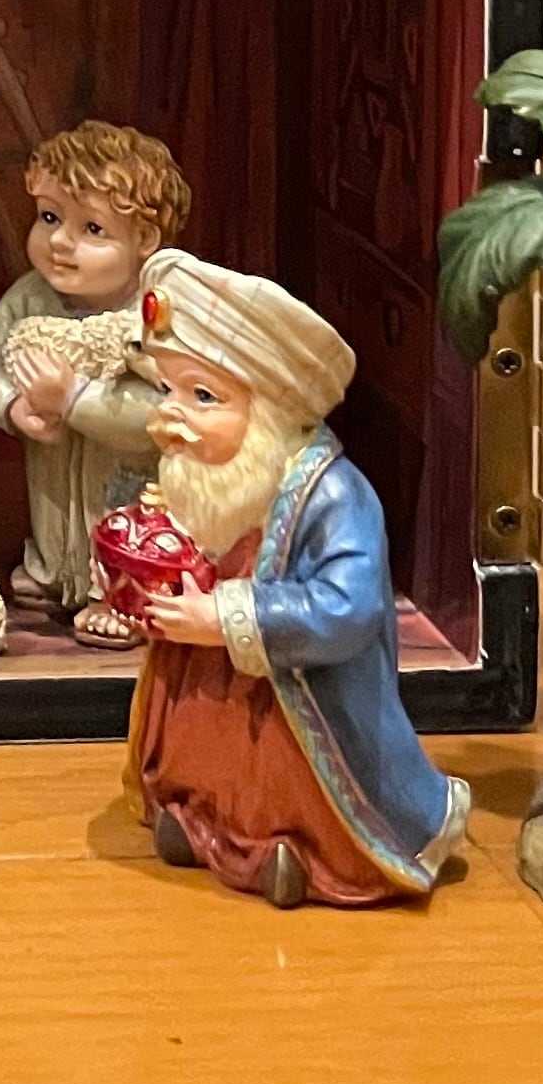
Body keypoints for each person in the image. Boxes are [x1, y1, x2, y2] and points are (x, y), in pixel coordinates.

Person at [129, 250, 467, 908]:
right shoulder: (215, 477)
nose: (172, 415)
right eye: (167, 390)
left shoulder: (335, 496)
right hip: (210, 674)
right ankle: (207, 823)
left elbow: (348, 609)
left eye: (203, 396)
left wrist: (223, 617)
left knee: (280, 774)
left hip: (295, 692)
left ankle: (301, 847)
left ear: (270, 410)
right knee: (211, 752)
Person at [0, 122, 188, 645]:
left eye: (92, 229)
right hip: (53, 465)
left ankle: (121, 595)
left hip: (128, 472)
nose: (60, 242)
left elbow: (168, 409)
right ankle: (52, 571)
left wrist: (74, 399)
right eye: (49, 217)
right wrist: (13, 405)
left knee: (125, 525)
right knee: (51, 514)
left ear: (145, 241)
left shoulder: (158, 312)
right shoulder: (31, 296)